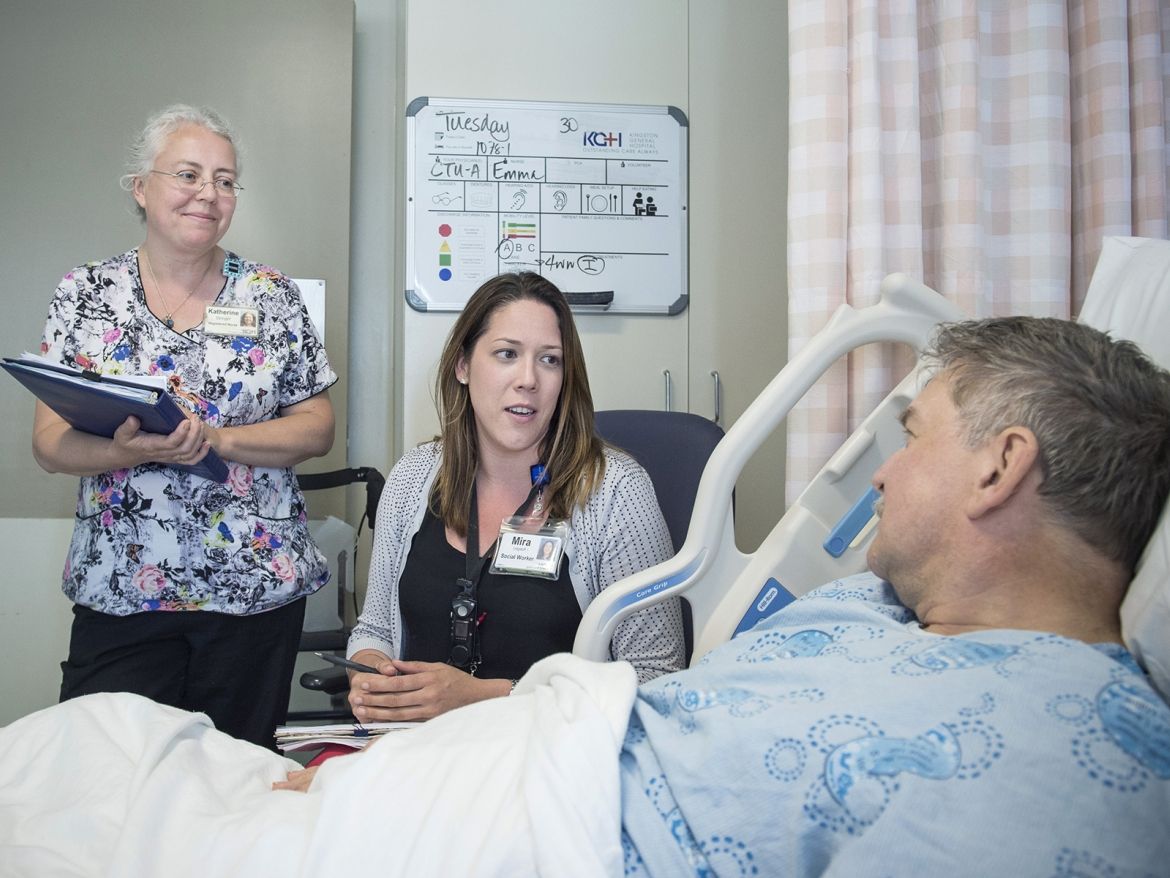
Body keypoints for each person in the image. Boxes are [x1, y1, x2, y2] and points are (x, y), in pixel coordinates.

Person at [3, 316, 1168, 876]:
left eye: (909, 436)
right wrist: (374, 721)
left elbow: (647, 675)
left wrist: (475, 703)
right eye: (504, 354)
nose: (876, 470)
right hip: (456, 760)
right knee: (96, 737)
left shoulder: (1066, 757)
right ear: (463, 367)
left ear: (999, 467)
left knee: (80, 786)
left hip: (527, 808)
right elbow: (671, 713)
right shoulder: (863, 606)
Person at [29, 104, 337, 748]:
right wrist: (122, 450)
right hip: (123, 587)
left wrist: (216, 439)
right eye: (189, 174)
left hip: (254, 590)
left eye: (225, 181)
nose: (208, 194)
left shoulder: (272, 296)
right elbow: (50, 444)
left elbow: (316, 428)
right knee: (105, 779)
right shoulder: (86, 293)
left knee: (239, 784)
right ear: (141, 188)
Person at [343, 271, 685, 722]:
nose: (528, 379)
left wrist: (488, 696)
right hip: (417, 751)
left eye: (549, 360)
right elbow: (376, 628)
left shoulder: (615, 491)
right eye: (507, 354)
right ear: (463, 366)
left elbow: (657, 678)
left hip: (551, 761)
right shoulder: (413, 477)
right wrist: (370, 672)